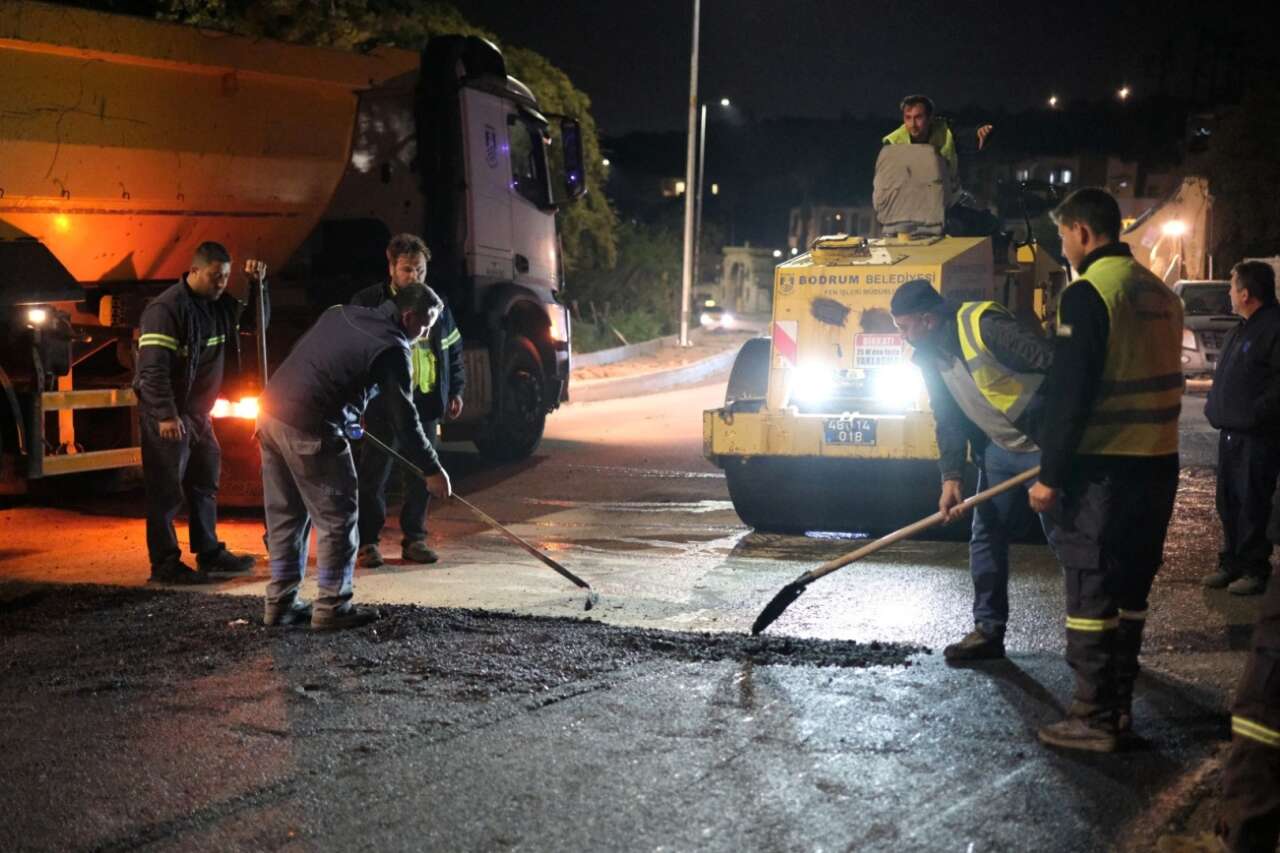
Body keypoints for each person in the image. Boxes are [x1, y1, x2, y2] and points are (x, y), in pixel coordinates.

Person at [1029, 187, 1183, 752]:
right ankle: (1117, 710)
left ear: (1083, 234)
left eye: (1064, 236)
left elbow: (1071, 393)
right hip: (1159, 465)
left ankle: (1091, 718)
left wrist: (1049, 474)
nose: (1063, 247)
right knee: (1131, 591)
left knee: (1092, 588)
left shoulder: (1089, 293)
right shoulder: (1162, 293)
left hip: (1103, 472)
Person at [257, 284, 452, 631]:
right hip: (311, 427)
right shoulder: (392, 348)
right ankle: (332, 606)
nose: (425, 334)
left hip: (270, 416)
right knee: (338, 518)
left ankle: (280, 606)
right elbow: (404, 418)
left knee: (287, 519)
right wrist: (431, 468)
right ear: (407, 317)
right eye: (425, 325)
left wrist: (348, 411)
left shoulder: (341, 312)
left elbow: (318, 360)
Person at [890, 279, 1058, 662]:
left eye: (904, 327)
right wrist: (951, 477)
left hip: (1042, 449)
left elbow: (1054, 366)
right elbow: (947, 418)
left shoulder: (984, 325)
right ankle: (988, 631)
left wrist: (1061, 450)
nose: (903, 336)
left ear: (928, 320)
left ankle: (1094, 631)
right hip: (998, 452)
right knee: (986, 536)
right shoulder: (929, 355)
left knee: (1066, 539)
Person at [133, 241, 264, 584]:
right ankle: (164, 564)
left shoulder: (218, 306)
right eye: (214, 276)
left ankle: (209, 552)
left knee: (205, 481)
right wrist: (164, 414)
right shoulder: (166, 310)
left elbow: (254, 323)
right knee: (165, 489)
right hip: (169, 415)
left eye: (225, 276)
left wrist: (257, 286)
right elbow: (152, 370)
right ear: (194, 271)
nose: (221, 283)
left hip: (198, 415)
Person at [351, 234, 465, 568]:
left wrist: (455, 390)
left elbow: (452, 349)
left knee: (420, 474)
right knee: (374, 476)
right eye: (407, 270)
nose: (414, 276)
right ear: (391, 268)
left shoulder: (435, 303)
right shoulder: (370, 302)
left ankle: (414, 538)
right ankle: (367, 543)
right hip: (382, 406)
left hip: (425, 404)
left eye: (420, 270)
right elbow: (354, 354)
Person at [1202, 261, 1280, 596]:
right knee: (1229, 500)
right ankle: (1230, 562)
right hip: (1231, 433)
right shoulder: (1241, 328)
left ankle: (1253, 567)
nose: (1229, 293)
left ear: (1246, 294)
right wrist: (1213, 406)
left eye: (1232, 287)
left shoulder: (1274, 328)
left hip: (1258, 436)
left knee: (1253, 501)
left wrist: (1254, 414)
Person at [882, 94, 996, 237]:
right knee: (953, 228)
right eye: (908, 118)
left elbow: (966, 137)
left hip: (948, 204)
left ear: (930, 118)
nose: (912, 124)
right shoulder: (894, 142)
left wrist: (979, 133)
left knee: (990, 223)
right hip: (913, 212)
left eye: (918, 117)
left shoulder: (946, 132)